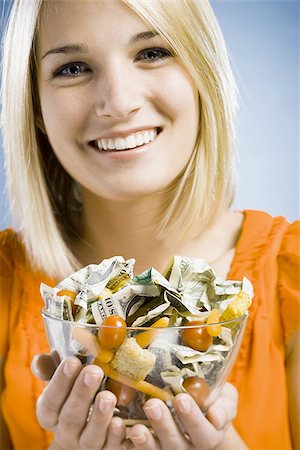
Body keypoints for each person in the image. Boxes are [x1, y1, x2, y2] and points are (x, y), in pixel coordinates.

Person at [0, 0, 299, 449]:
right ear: (36, 107)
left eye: (152, 52)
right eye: (74, 67)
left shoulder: (291, 276)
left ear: (204, 71)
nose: (119, 103)